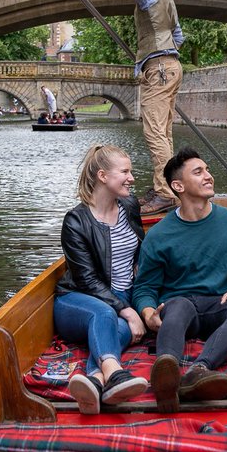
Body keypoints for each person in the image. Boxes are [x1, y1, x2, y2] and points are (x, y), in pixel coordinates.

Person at [132, 147, 227, 412]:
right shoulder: (159, 234)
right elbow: (145, 286)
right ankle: (166, 372)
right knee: (176, 307)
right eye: (198, 172)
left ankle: (199, 371)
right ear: (178, 185)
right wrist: (147, 311)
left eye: (207, 170)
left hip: (220, 304)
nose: (208, 176)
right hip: (181, 305)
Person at [66, 0, 185, 214]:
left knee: (154, 132)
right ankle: (165, 187)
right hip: (169, 66)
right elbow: (178, 34)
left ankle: (165, 193)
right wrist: (163, 52)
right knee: (164, 133)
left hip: (160, 68)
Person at [54, 145, 149, 414]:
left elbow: (140, 254)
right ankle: (116, 374)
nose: (132, 177)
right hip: (77, 300)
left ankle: (95, 382)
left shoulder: (129, 206)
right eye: (125, 172)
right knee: (107, 315)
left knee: (121, 329)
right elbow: (86, 280)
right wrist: (128, 311)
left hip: (121, 297)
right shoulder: (76, 221)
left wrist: (139, 300)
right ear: (103, 176)